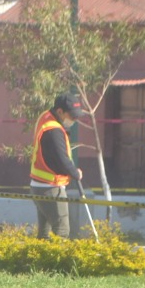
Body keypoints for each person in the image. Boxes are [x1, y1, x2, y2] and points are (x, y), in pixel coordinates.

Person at [29, 94, 86, 239]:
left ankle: (40, 261)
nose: (74, 120)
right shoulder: (54, 130)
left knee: (44, 235)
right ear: (60, 112)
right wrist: (75, 173)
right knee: (62, 231)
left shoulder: (46, 117)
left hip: (39, 185)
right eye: (72, 116)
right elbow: (62, 160)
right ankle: (56, 262)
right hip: (51, 188)